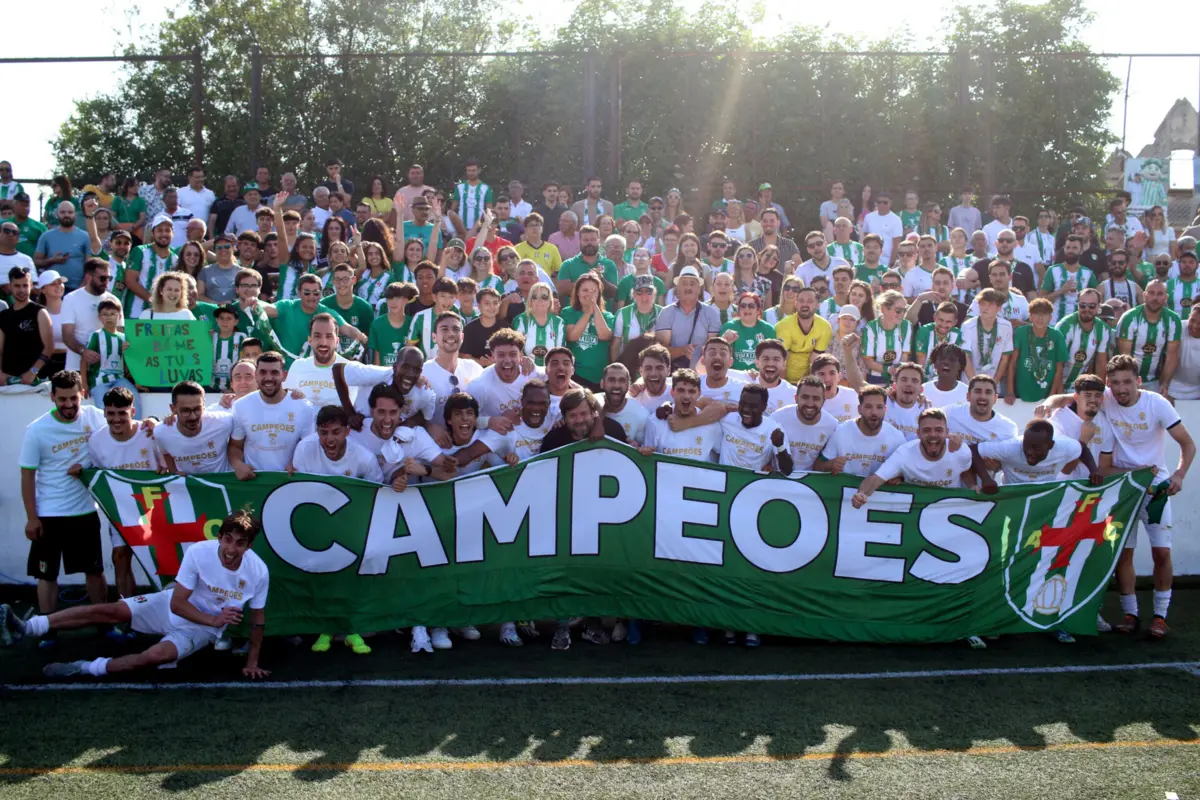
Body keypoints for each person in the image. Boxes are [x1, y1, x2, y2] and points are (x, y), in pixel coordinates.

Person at [10, 509, 270, 680]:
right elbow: (178, 605)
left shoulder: (258, 571)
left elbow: (258, 619)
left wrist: (253, 662)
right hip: (172, 605)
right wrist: (214, 618)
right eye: (227, 539)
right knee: (109, 610)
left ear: (249, 546)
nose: (231, 548)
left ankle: (84, 667)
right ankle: (27, 627)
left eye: (240, 543)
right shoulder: (199, 552)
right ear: (219, 537)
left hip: (201, 631)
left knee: (153, 658)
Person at [1042, 355, 1195, 638]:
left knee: (1162, 552)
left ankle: (1160, 616)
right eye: (1115, 383)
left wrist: (1178, 475)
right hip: (1122, 488)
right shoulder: (1106, 399)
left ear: (1138, 381)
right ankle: (1131, 613)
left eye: (1127, 382)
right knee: (1122, 554)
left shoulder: (1156, 403)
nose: (1121, 389)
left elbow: (1188, 443)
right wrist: (1051, 402)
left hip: (1156, 487)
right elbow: (1073, 396)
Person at [17, 370, 110, 648]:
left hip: (84, 511)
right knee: (46, 574)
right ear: (52, 397)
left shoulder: (94, 416)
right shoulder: (37, 429)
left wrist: (153, 422)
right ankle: (48, 628)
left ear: (82, 394)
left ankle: (103, 625)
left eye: (73, 398)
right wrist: (31, 518)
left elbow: (128, 423)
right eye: (62, 399)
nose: (69, 404)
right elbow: (27, 475)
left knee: (94, 571)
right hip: (49, 514)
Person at [290, 405, 383, 656]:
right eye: (323, 433)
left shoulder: (364, 457)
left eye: (335, 432)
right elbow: (299, 491)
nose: (329, 439)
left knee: (351, 578)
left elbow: (375, 495)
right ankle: (325, 628)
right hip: (315, 523)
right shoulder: (305, 449)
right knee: (320, 576)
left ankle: (352, 628)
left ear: (347, 432)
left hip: (352, 526)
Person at [852, 409, 977, 511]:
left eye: (939, 430)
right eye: (927, 430)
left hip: (948, 510)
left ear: (947, 433)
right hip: (917, 512)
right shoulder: (905, 453)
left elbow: (965, 469)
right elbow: (876, 478)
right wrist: (862, 494)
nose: (933, 435)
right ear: (918, 433)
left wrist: (972, 485)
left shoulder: (960, 451)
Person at [228, 352, 317, 480]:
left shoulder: (304, 407)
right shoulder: (241, 406)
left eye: (274, 372)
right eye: (263, 372)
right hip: (253, 480)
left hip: (289, 480)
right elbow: (235, 445)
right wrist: (237, 464)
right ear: (256, 375)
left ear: (284, 375)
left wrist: (295, 463)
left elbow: (308, 445)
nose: (268, 377)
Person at [813, 384, 908, 477]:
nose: (874, 412)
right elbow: (817, 466)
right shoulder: (841, 432)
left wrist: (899, 477)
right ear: (859, 409)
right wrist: (829, 465)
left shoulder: (897, 437)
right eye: (868, 406)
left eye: (879, 407)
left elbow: (907, 471)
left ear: (885, 409)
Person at [1115, 280, 1181, 395]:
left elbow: (1172, 356)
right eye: (1151, 293)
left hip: (1155, 380)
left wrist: (1164, 383)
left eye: (1160, 294)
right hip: (1128, 377)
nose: (1155, 297)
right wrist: (1133, 381)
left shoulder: (1173, 320)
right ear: (1144, 295)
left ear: (1166, 297)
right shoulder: (1129, 318)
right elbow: (1125, 356)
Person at [155, 381, 235, 474]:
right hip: (189, 487)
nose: (193, 416)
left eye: (197, 409)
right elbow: (166, 453)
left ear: (204, 405)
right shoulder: (161, 432)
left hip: (223, 484)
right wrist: (174, 472)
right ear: (173, 409)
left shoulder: (224, 422)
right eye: (185, 411)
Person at [61, 257, 122, 375]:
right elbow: (67, 335)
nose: (106, 282)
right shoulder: (71, 299)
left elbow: (119, 332)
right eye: (102, 278)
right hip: (76, 366)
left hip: (107, 369)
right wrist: (84, 351)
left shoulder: (114, 300)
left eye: (109, 278)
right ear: (88, 277)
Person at [655, 265, 722, 370]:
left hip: (703, 374)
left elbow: (714, 348)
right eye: (684, 283)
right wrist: (682, 351)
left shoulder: (711, 313)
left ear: (699, 289)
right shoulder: (666, 313)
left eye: (692, 284)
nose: (688, 288)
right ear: (677, 288)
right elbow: (660, 350)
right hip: (674, 374)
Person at [769, 375, 837, 471]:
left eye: (816, 398)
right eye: (805, 397)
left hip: (811, 480)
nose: (810, 404)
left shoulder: (832, 426)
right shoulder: (777, 418)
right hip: (780, 477)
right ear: (796, 398)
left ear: (823, 401)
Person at [1005, 297, 1066, 404]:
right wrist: (1010, 391)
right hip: (1021, 392)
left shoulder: (1057, 335)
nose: (1040, 318)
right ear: (1030, 316)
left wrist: (1052, 396)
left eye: (1044, 314)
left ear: (1051, 317)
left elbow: (1059, 369)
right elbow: (1012, 364)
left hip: (1046, 393)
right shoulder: (1021, 332)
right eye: (1036, 314)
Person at [0, 266, 54, 384]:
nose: (21, 290)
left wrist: (33, 371)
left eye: (25, 285)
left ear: (31, 286)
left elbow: (49, 347)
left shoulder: (40, 312)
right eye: (17, 286)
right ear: (10, 286)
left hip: (36, 381)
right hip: (9, 382)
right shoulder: (3, 316)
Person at [560, 272, 613, 391]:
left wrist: (594, 308)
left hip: (599, 375)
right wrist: (588, 313)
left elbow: (604, 335)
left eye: (593, 291)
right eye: (585, 290)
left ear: (599, 294)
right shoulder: (568, 312)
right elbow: (572, 336)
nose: (589, 294)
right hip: (576, 374)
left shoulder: (608, 316)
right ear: (577, 292)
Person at [34, 200, 92, 290]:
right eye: (63, 212)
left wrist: (82, 287)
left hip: (77, 288)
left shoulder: (85, 236)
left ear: (75, 215)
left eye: (70, 212)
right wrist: (51, 260)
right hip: (53, 289)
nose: (67, 215)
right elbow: (36, 262)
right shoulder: (46, 236)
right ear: (57, 214)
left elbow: (90, 266)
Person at [859, 290, 910, 385]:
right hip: (876, 378)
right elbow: (868, 361)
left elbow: (904, 356)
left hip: (897, 377)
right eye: (898, 310)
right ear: (884, 309)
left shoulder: (907, 326)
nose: (902, 314)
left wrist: (897, 372)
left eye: (905, 310)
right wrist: (889, 370)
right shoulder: (871, 327)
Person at [961, 288, 1014, 380]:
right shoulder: (967, 326)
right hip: (969, 382)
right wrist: (974, 382)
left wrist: (994, 383)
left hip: (993, 382)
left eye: (990, 304)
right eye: (982, 303)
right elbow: (965, 357)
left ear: (999, 308)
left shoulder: (1006, 326)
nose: (985, 308)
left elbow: (1005, 359)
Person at [721, 292, 775, 371]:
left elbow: (772, 359)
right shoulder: (729, 327)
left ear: (758, 310)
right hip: (735, 376)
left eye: (751, 306)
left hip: (761, 377)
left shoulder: (768, 329)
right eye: (743, 306)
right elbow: (722, 358)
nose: (747, 308)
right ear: (739, 310)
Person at [914, 301, 964, 381]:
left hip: (948, 379)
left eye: (948, 322)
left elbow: (957, 363)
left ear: (955, 322)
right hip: (926, 378)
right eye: (941, 320)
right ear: (934, 317)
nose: (943, 324)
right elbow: (921, 362)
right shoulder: (924, 331)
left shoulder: (958, 334)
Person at [922, 343, 969, 407]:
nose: (946, 362)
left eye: (952, 360)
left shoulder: (967, 393)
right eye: (942, 359)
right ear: (934, 364)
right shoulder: (923, 390)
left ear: (960, 365)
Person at [862, 192, 903, 265]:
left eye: (885, 202)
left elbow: (896, 242)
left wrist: (892, 262)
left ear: (890, 203)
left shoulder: (896, 220)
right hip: (870, 257)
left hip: (886, 259)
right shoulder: (868, 217)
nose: (881, 204)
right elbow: (865, 238)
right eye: (879, 202)